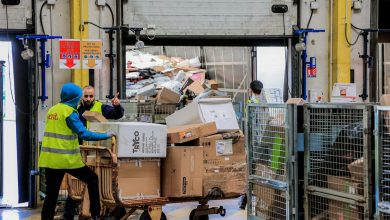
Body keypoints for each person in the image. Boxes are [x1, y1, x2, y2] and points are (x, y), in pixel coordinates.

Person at [39, 83, 115, 220]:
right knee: (92, 178)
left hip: (49, 159)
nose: (81, 99)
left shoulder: (52, 110)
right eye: (80, 97)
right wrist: (106, 135)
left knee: (51, 196)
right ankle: (96, 214)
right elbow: (84, 134)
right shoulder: (69, 113)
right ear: (74, 98)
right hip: (66, 160)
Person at [63, 85, 124, 220]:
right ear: (82, 97)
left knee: (102, 180)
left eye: (91, 96)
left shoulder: (100, 107)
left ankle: (104, 212)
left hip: (98, 150)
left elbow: (117, 115)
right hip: (81, 151)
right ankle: (69, 214)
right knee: (76, 184)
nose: (89, 99)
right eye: (86, 96)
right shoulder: (76, 110)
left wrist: (117, 106)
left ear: (94, 96)